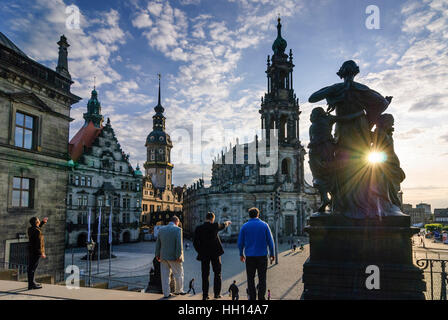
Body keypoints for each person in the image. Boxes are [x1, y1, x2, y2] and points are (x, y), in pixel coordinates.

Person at [238, 207, 275, 300]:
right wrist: (272, 254)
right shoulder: (265, 225)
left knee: (250, 279)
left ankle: (252, 297)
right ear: (258, 215)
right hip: (262, 256)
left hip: (250, 257)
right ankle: (261, 297)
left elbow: (240, 242)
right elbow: (271, 241)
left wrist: (241, 254)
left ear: (249, 215)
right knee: (262, 278)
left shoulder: (244, 226)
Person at [193, 212, 231, 300]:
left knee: (205, 275)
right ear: (212, 219)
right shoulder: (215, 226)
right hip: (215, 254)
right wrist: (227, 223)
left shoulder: (199, 228)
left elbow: (195, 243)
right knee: (217, 273)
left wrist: (200, 251)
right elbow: (223, 225)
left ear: (206, 218)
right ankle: (217, 294)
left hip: (204, 254)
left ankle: (205, 295)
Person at [155, 216, 186, 298]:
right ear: (177, 222)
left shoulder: (161, 229)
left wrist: (157, 255)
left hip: (163, 256)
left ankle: (166, 293)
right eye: (178, 223)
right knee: (179, 274)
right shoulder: (178, 230)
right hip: (174, 257)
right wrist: (178, 256)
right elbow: (179, 245)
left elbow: (158, 243)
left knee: (165, 276)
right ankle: (179, 290)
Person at [27, 216, 48, 290]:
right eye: (38, 220)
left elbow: (37, 228)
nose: (39, 221)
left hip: (31, 251)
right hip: (36, 252)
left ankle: (31, 284)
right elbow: (39, 243)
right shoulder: (37, 231)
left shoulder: (30, 229)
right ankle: (32, 284)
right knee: (32, 268)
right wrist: (42, 253)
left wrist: (43, 222)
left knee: (31, 268)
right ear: (36, 222)